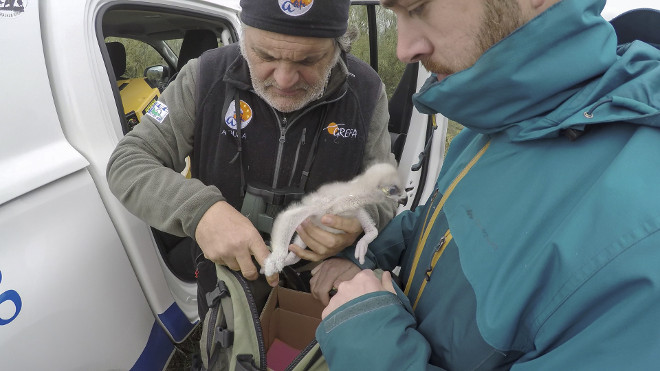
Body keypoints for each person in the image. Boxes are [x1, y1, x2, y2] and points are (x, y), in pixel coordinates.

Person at [312, 0, 660, 369]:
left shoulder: (644, 233)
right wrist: (367, 249)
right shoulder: (500, 117)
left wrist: (369, 342)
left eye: (418, 8)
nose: (404, 49)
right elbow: (441, 224)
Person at [106, 0, 396, 320]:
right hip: (225, 279)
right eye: (265, 56)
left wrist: (358, 221)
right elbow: (128, 161)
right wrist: (201, 212)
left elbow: (386, 190)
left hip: (322, 285)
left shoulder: (367, 92)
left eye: (309, 60)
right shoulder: (203, 77)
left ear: (340, 46)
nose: (284, 80)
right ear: (244, 38)